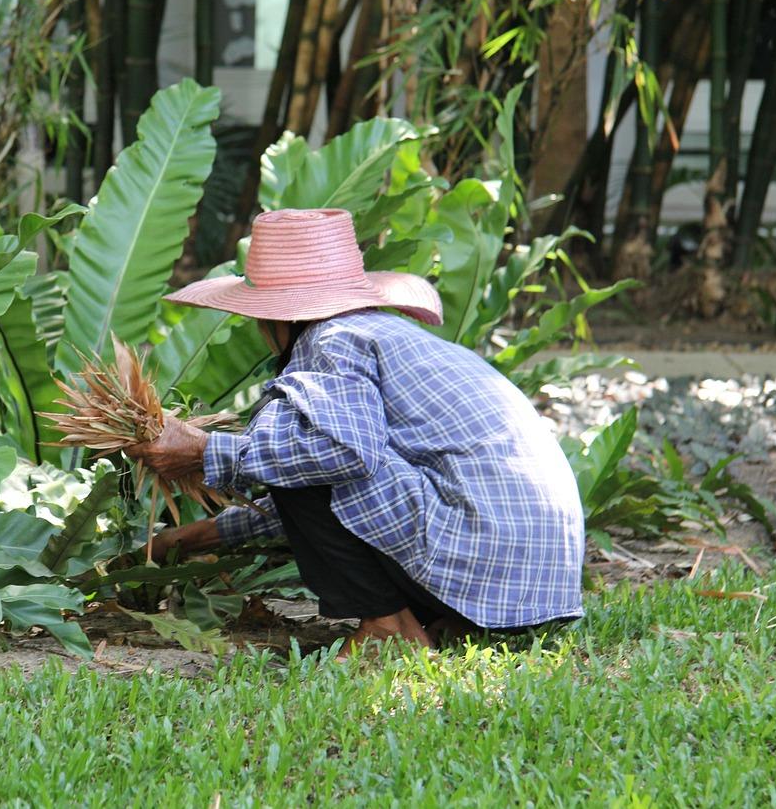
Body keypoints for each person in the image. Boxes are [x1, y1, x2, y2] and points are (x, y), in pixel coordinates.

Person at [128, 208, 585, 649]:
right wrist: (197, 537)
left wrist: (205, 451)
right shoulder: (379, 333)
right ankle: (450, 621)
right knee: (294, 452)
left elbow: (339, 458)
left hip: (484, 552)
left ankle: (388, 627)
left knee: (294, 447)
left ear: (275, 317)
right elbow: (345, 481)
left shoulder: (332, 339)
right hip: (531, 581)